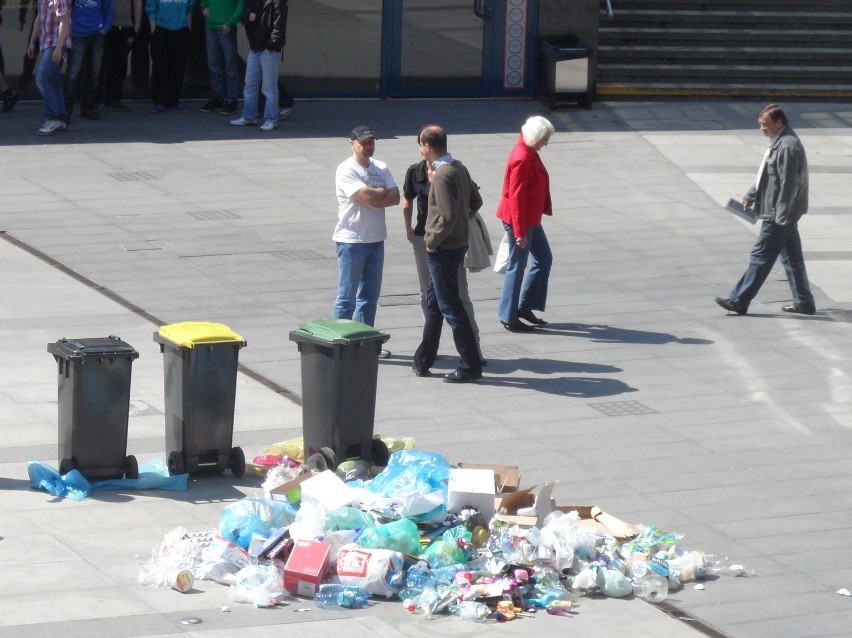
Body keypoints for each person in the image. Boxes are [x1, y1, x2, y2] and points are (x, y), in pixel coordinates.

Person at [715, 104, 815, 316]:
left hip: (779, 214)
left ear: (779, 122)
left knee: (760, 256)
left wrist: (782, 217)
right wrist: (750, 196)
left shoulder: (787, 146)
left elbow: (789, 184)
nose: (762, 128)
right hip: (781, 212)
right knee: (792, 258)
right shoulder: (779, 142)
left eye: (765, 124)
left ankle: (739, 300)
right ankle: (804, 302)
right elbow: (767, 175)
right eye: (760, 124)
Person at [402, 127, 487, 365]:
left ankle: (471, 360)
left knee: (451, 304)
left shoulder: (442, 174)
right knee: (433, 300)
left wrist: (431, 241)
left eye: (421, 145)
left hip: (442, 248)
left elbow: (447, 217)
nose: (420, 150)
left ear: (427, 146)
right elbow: (475, 201)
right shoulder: (457, 168)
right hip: (453, 244)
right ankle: (425, 358)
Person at [333, 125, 399, 357]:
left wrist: (376, 194)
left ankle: (365, 343)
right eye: (364, 142)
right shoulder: (346, 169)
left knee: (369, 298)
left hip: (376, 239)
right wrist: (380, 192)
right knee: (346, 297)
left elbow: (395, 198)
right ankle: (340, 343)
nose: (368, 146)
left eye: (371, 142)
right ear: (352, 143)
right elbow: (366, 197)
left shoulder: (381, 166)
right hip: (352, 240)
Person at [496, 115, 555, 332]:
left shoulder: (528, 150)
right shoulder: (522, 157)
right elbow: (516, 199)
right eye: (545, 139)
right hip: (519, 220)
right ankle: (508, 316)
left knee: (543, 259)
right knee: (517, 266)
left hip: (530, 218)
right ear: (535, 137)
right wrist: (520, 232)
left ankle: (525, 306)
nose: (546, 143)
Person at [229, 0, 285, 132]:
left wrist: (271, 46)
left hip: (268, 50)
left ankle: (271, 119)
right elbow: (244, 17)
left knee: (269, 87)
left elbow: (279, 25)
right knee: (250, 84)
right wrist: (249, 16)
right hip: (254, 48)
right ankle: (249, 116)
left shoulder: (277, 2)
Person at [64, 0, 113, 121]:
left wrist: (105, 29)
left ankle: (87, 108)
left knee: (93, 75)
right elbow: (66, 9)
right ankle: (65, 112)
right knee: (72, 75)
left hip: (97, 35)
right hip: (77, 34)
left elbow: (109, 11)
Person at [27, 0, 71, 135]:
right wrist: (32, 42)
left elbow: (65, 21)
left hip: (55, 43)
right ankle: (61, 119)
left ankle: (54, 118)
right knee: (53, 81)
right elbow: (39, 16)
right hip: (46, 42)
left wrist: (59, 48)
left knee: (42, 79)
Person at [145, 0, 194, 114]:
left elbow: (189, 8)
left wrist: (188, 28)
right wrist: (153, 29)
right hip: (162, 29)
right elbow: (151, 7)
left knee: (179, 66)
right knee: (160, 66)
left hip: (182, 29)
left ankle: (174, 100)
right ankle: (159, 102)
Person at [199, 0, 242, 115]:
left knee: (230, 65)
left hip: (226, 26)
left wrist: (230, 22)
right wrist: (204, 6)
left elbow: (241, 3)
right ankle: (217, 98)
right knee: (213, 65)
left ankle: (231, 100)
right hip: (210, 25)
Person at [98, 0, 142, 111]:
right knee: (99, 65)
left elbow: (137, 2)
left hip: (125, 25)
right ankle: (95, 101)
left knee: (120, 65)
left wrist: (136, 26)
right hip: (104, 26)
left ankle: (114, 99)